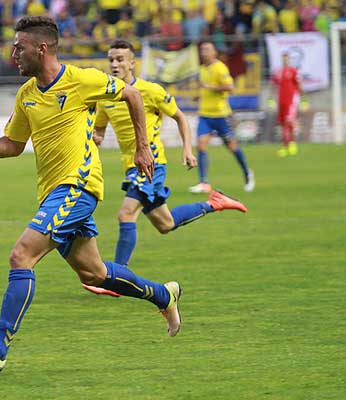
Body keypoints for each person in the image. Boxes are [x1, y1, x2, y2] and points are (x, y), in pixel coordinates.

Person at [0, 16, 183, 374]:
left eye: (19, 47)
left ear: (41, 49)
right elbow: (12, 145)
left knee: (21, 255)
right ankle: (163, 296)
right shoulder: (26, 95)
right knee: (94, 274)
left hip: (78, 186)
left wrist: (142, 148)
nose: (13, 53)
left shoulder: (81, 80)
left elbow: (132, 93)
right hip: (53, 193)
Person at [85, 40, 247, 296]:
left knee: (126, 214)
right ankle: (214, 203)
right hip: (131, 167)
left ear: (132, 63)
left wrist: (187, 150)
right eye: (111, 59)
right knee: (165, 223)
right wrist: (93, 138)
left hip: (152, 164)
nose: (115, 64)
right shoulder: (108, 97)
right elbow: (100, 131)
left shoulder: (150, 91)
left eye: (120, 59)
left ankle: (116, 277)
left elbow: (180, 117)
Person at [189, 41, 255, 194]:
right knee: (201, 146)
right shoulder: (202, 69)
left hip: (220, 115)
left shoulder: (220, 68)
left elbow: (230, 87)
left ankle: (247, 173)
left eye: (207, 49)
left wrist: (210, 87)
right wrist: (198, 96)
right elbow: (204, 88)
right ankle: (204, 182)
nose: (203, 52)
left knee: (232, 147)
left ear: (214, 53)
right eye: (202, 49)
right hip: (205, 115)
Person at [271, 52, 303, 157]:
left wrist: (303, 99)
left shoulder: (293, 71)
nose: (285, 60)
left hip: (291, 100)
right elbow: (273, 86)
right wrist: (271, 99)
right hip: (281, 101)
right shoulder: (278, 72)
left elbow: (298, 85)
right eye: (283, 59)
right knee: (283, 124)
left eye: (287, 59)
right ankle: (285, 146)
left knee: (289, 121)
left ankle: (292, 143)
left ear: (289, 60)